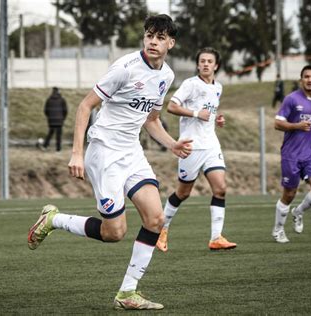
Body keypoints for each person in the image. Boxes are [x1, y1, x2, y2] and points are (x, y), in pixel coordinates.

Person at [27, 14, 192, 310]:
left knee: (155, 219)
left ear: (171, 42)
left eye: (160, 37)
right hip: (103, 151)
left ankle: (127, 293)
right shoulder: (125, 68)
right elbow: (84, 106)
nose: (153, 41)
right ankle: (54, 219)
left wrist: (172, 144)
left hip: (131, 152)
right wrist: (76, 153)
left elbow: (151, 120)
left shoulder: (166, 75)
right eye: (149, 35)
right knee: (114, 232)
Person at [156, 47, 237, 253]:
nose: (205, 64)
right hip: (190, 146)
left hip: (211, 145)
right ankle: (162, 229)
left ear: (216, 65)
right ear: (198, 64)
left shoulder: (218, 87)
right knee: (183, 193)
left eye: (209, 61)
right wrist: (194, 113)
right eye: (202, 61)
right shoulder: (190, 84)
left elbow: (209, 111)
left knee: (220, 188)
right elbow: (171, 106)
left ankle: (216, 237)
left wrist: (217, 119)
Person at [272, 65, 311, 243]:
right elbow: (277, 124)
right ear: (301, 80)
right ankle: (278, 229)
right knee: (289, 193)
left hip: (310, 154)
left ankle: (298, 212)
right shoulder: (291, 99)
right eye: (306, 77)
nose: (309, 80)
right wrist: (296, 126)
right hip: (291, 154)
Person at [42, 87, 68, 151]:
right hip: (59, 120)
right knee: (58, 135)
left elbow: (45, 110)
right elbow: (65, 110)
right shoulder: (62, 100)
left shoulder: (48, 100)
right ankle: (58, 149)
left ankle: (45, 145)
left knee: (50, 133)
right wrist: (63, 118)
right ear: (58, 92)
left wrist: (49, 117)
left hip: (51, 120)